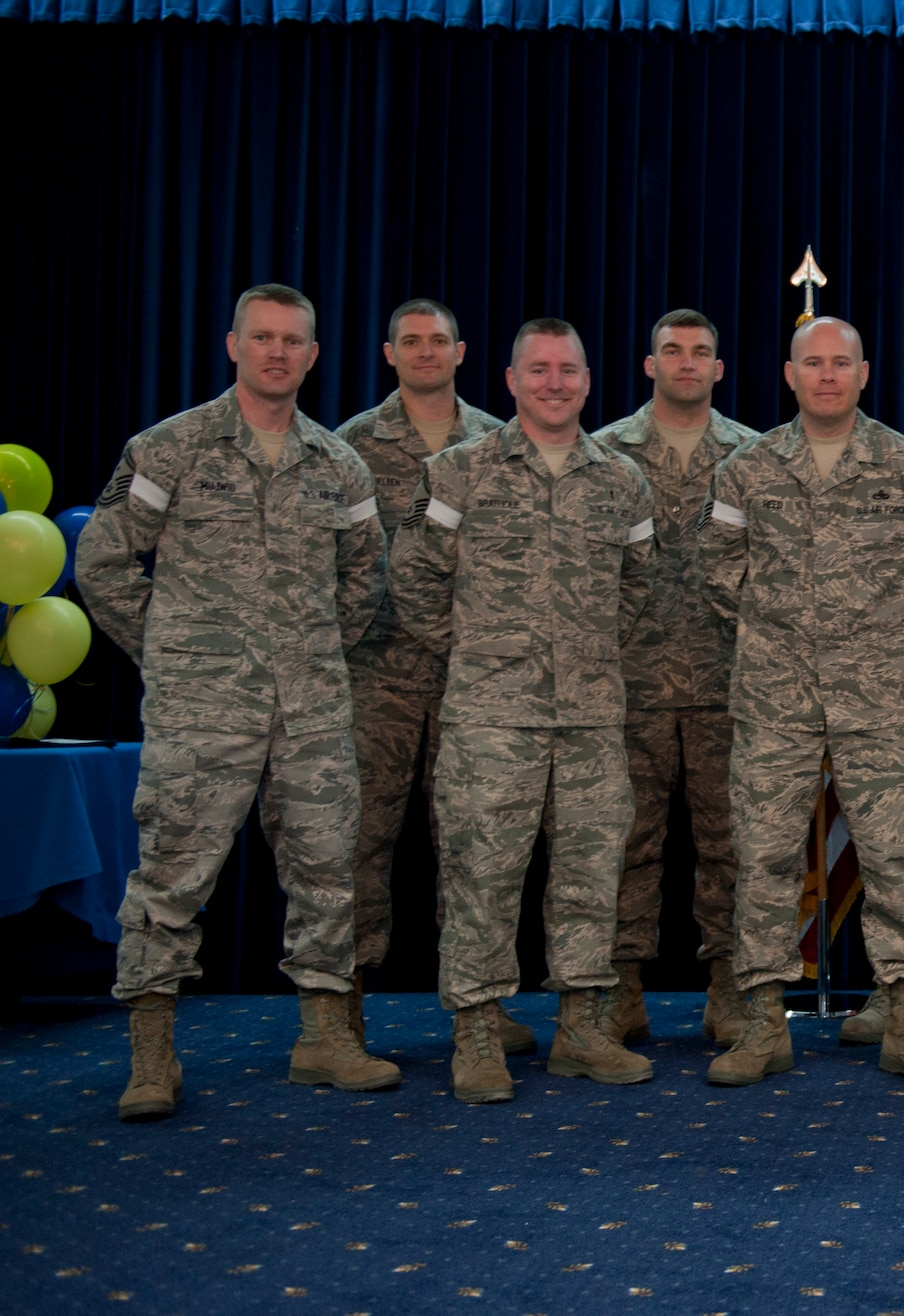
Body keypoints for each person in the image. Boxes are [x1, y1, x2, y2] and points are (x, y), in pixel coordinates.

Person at [78, 283, 399, 1121]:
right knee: (172, 878)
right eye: (262, 338)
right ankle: (152, 1055)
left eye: (294, 341)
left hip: (313, 713)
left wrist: (317, 652)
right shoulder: (171, 448)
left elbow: (365, 582)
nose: (277, 354)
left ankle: (325, 1038)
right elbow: (103, 562)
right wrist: (175, 654)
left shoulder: (340, 464)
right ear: (233, 346)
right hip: (201, 713)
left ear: (314, 356)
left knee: (329, 875)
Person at [699, 317, 904, 1088]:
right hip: (774, 696)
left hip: (879, 697)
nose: (826, 375)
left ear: (862, 375)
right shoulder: (747, 469)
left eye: (840, 363)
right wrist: (776, 638)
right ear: (789, 376)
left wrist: (888, 645)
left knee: (896, 858)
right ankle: (761, 1020)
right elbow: (719, 572)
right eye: (812, 363)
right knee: (763, 859)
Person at [390, 318, 658, 1104]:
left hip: (590, 719)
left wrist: (584, 658)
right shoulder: (458, 472)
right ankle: (477, 1033)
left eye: (567, 370)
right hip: (490, 718)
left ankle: (581, 1026)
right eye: (538, 370)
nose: (553, 383)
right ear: (509, 381)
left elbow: (635, 589)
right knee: (481, 875)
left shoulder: (621, 479)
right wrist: (481, 652)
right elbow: (411, 583)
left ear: (586, 379)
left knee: (589, 877)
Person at [335, 299, 516, 1048]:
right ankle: (339, 1007)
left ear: (461, 352)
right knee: (358, 844)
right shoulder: (349, 446)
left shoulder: (498, 444)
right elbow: (336, 567)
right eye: (410, 342)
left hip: (471, 682)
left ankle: (478, 1008)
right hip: (376, 678)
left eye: (437, 341)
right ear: (389, 353)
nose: (425, 353)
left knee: (477, 847)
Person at [591, 310, 760, 1046]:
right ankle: (620, 988)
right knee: (625, 843)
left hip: (731, 686)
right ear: (649, 363)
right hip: (631, 686)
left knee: (732, 844)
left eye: (700, 353)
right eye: (672, 351)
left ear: (720, 369)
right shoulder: (604, 454)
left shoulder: (754, 457)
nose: (686, 363)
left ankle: (727, 986)